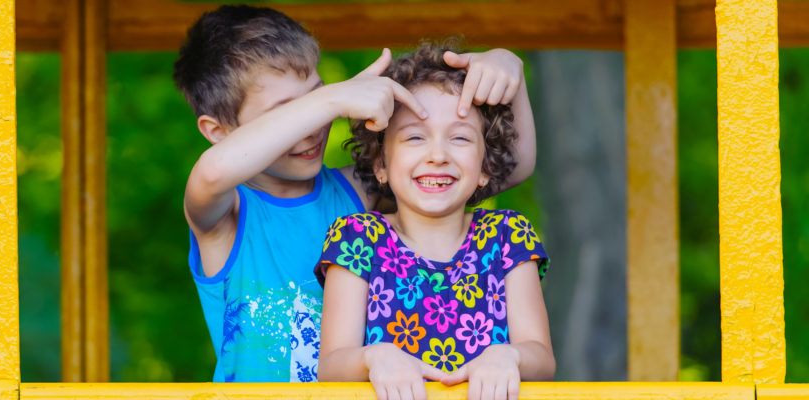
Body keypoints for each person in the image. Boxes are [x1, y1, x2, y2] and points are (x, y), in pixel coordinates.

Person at [173, 5, 537, 382]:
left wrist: (510, 71)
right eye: (290, 111)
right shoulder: (225, 216)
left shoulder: (357, 191)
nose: (314, 127)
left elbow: (506, 164)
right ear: (218, 132)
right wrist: (329, 100)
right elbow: (213, 172)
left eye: (314, 95)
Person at [315, 41, 554, 400]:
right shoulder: (357, 238)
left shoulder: (507, 235)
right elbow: (331, 367)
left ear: (486, 168)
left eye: (459, 138)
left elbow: (542, 359)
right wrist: (373, 358)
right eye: (414, 137)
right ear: (380, 164)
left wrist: (511, 356)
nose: (438, 155)